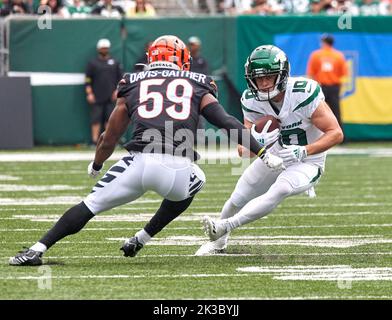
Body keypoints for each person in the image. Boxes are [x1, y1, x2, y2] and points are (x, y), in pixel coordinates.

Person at [9, 35, 284, 266]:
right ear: (182, 58)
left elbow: (110, 135)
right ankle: (142, 237)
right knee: (197, 178)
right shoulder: (198, 82)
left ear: (152, 57)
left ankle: (37, 249)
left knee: (90, 205)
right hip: (178, 170)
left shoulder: (134, 81)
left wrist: (96, 164)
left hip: (139, 163)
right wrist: (262, 153)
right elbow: (226, 122)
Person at [196, 45, 343, 255]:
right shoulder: (251, 100)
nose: (263, 83)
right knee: (237, 198)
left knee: (281, 189)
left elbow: (336, 133)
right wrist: (256, 141)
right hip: (272, 156)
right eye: (258, 78)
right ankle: (218, 243)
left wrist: (305, 150)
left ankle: (224, 226)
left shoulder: (303, 93)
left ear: (282, 75)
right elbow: (242, 150)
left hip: (308, 162)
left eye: (269, 77)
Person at [85, 38, 123, 145]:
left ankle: (109, 141)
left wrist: (117, 91)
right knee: (95, 120)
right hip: (96, 97)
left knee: (110, 120)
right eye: (102, 48)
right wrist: (89, 93)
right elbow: (87, 80)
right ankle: (94, 141)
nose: (104, 50)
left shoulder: (115, 62)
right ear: (98, 49)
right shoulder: (92, 63)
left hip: (111, 97)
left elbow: (120, 79)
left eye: (106, 48)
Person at [307, 34, 347, 131]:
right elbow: (343, 73)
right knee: (336, 112)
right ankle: (341, 136)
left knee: (317, 111)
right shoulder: (339, 55)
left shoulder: (316, 55)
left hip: (321, 87)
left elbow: (311, 73)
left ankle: (318, 135)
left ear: (324, 42)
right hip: (334, 87)